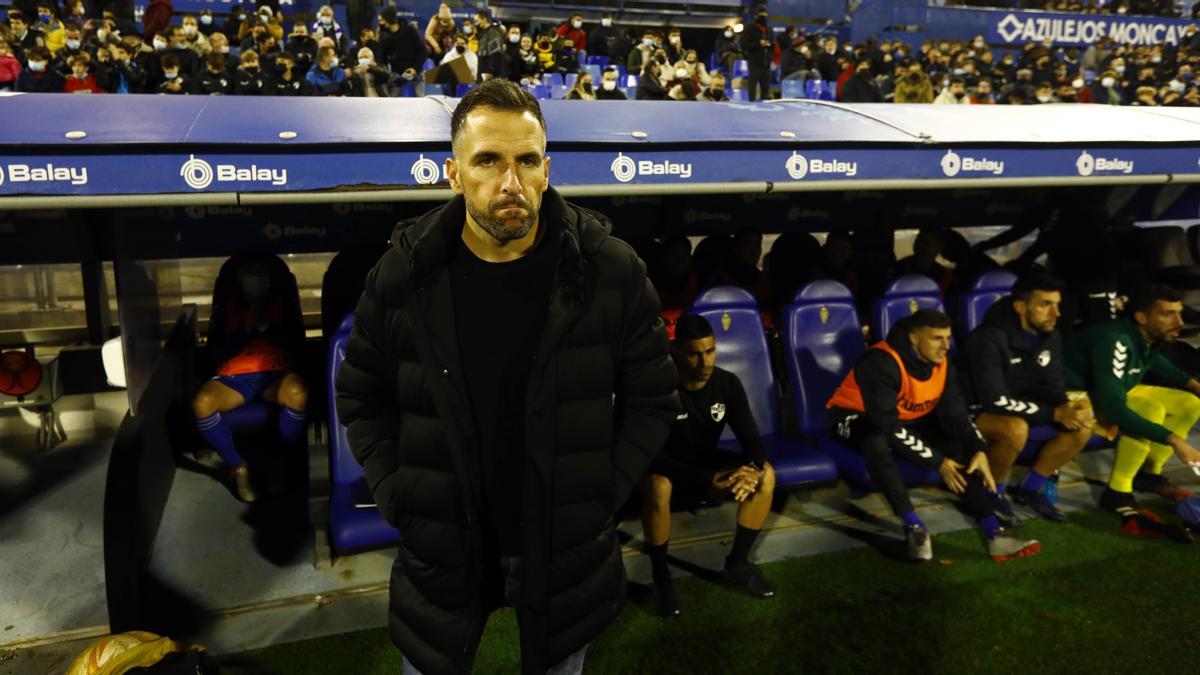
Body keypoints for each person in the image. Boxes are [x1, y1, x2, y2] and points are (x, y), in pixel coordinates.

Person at [335, 79, 678, 675]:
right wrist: (402, 497)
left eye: (526, 161)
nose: (510, 184)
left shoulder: (611, 270)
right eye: (488, 161)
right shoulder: (403, 274)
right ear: (453, 173)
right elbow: (359, 397)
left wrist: (599, 494)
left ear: (547, 169)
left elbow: (654, 399)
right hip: (442, 546)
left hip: (567, 548)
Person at [827, 310, 1041, 562]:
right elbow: (888, 427)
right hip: (852, 417)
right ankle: (914, 529)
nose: (946, 346)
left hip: (904, 419)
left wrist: (979, 448)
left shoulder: (942, 363)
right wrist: (938, 462)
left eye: (948, 338)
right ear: (914, 339)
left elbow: (957, 416)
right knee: (875, 441)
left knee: (958, 446)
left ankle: (995, 533)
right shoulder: (881, 361)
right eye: (937, 338)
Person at [641, 314, 776, 617]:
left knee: (766, 473)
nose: (705, 363)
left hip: (704, 462)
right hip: (668, 466)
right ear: (676, 351)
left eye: (710, 351)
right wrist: (705, 479)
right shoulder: (659, 387)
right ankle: (661, 578)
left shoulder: (727, 384)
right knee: (658, 485)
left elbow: (753, 442)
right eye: (694, 354)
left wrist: (751, 469)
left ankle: (737, 564)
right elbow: (651, 454)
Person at [1064, 285, 1200, 531]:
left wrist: (1194, 385)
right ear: (1142, 317)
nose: (1179, 321)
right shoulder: (1115, 341)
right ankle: (1118, 491)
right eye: (1168, 314)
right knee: (1148, 410)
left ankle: (1148, 474)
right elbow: (1114, 408)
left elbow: (1155, 361)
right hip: (1074, 396)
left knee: (1188, 404)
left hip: (1111, 388)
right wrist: (1175, 441)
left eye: (1179, 313)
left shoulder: (1145, 336)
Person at [964, 270, 1094, 523]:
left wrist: (1068, 408)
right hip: (978, 411)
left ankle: (1030, 488)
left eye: (1057, 305)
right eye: (1046, 305)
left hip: (1025, 406)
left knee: (1082, 426)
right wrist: (1053, 413)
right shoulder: (988, 338)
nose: (1056, 313)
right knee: (1015, 429)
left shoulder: (1051, 336)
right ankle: (992, 491)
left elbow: (1054, 385)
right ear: (1021, 307)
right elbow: (994, 399)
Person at [193, 253, 307, 504]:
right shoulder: (228, 309)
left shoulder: (281, 305)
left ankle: (280, 461)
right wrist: (244, 330)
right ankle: (238, 467)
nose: (254, 279)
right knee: (202, 403)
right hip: (234, 377)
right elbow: (216, 352)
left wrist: (265, 325)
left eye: (260, 273)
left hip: (275, 373)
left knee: (299, 394)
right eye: (249, 273)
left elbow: (296, 346)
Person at [378, 5, 425, 86]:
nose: (381, 23)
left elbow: (422, 51)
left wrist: (414, 69)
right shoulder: (383, 36)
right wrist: (385, 72)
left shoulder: (410, 30)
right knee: (393, 97)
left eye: (382, 20)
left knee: (419, 98)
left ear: (389, 19)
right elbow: (382, 57)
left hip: (415, 72)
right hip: (397, 75)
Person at [738, 7, 771, 101]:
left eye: (765, 14)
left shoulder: (768, 29)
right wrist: (758, 43)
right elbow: (743, 44)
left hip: (766, 64)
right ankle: (751, 106)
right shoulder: (750, 28)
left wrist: (770, 55)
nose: (764, 16)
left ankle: (764, 108)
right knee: (752, 87)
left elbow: (772, 44)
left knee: (765, 89)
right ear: (756, 15)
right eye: (761, 14)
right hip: (754, 63)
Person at [474, 11, 505, 81]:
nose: (476, 23)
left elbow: (496, 53)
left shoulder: (493, 32)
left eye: (477, 20)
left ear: (484, 19)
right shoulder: (483, 34)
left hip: (488, 75)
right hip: (482, 72)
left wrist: (490, 71)